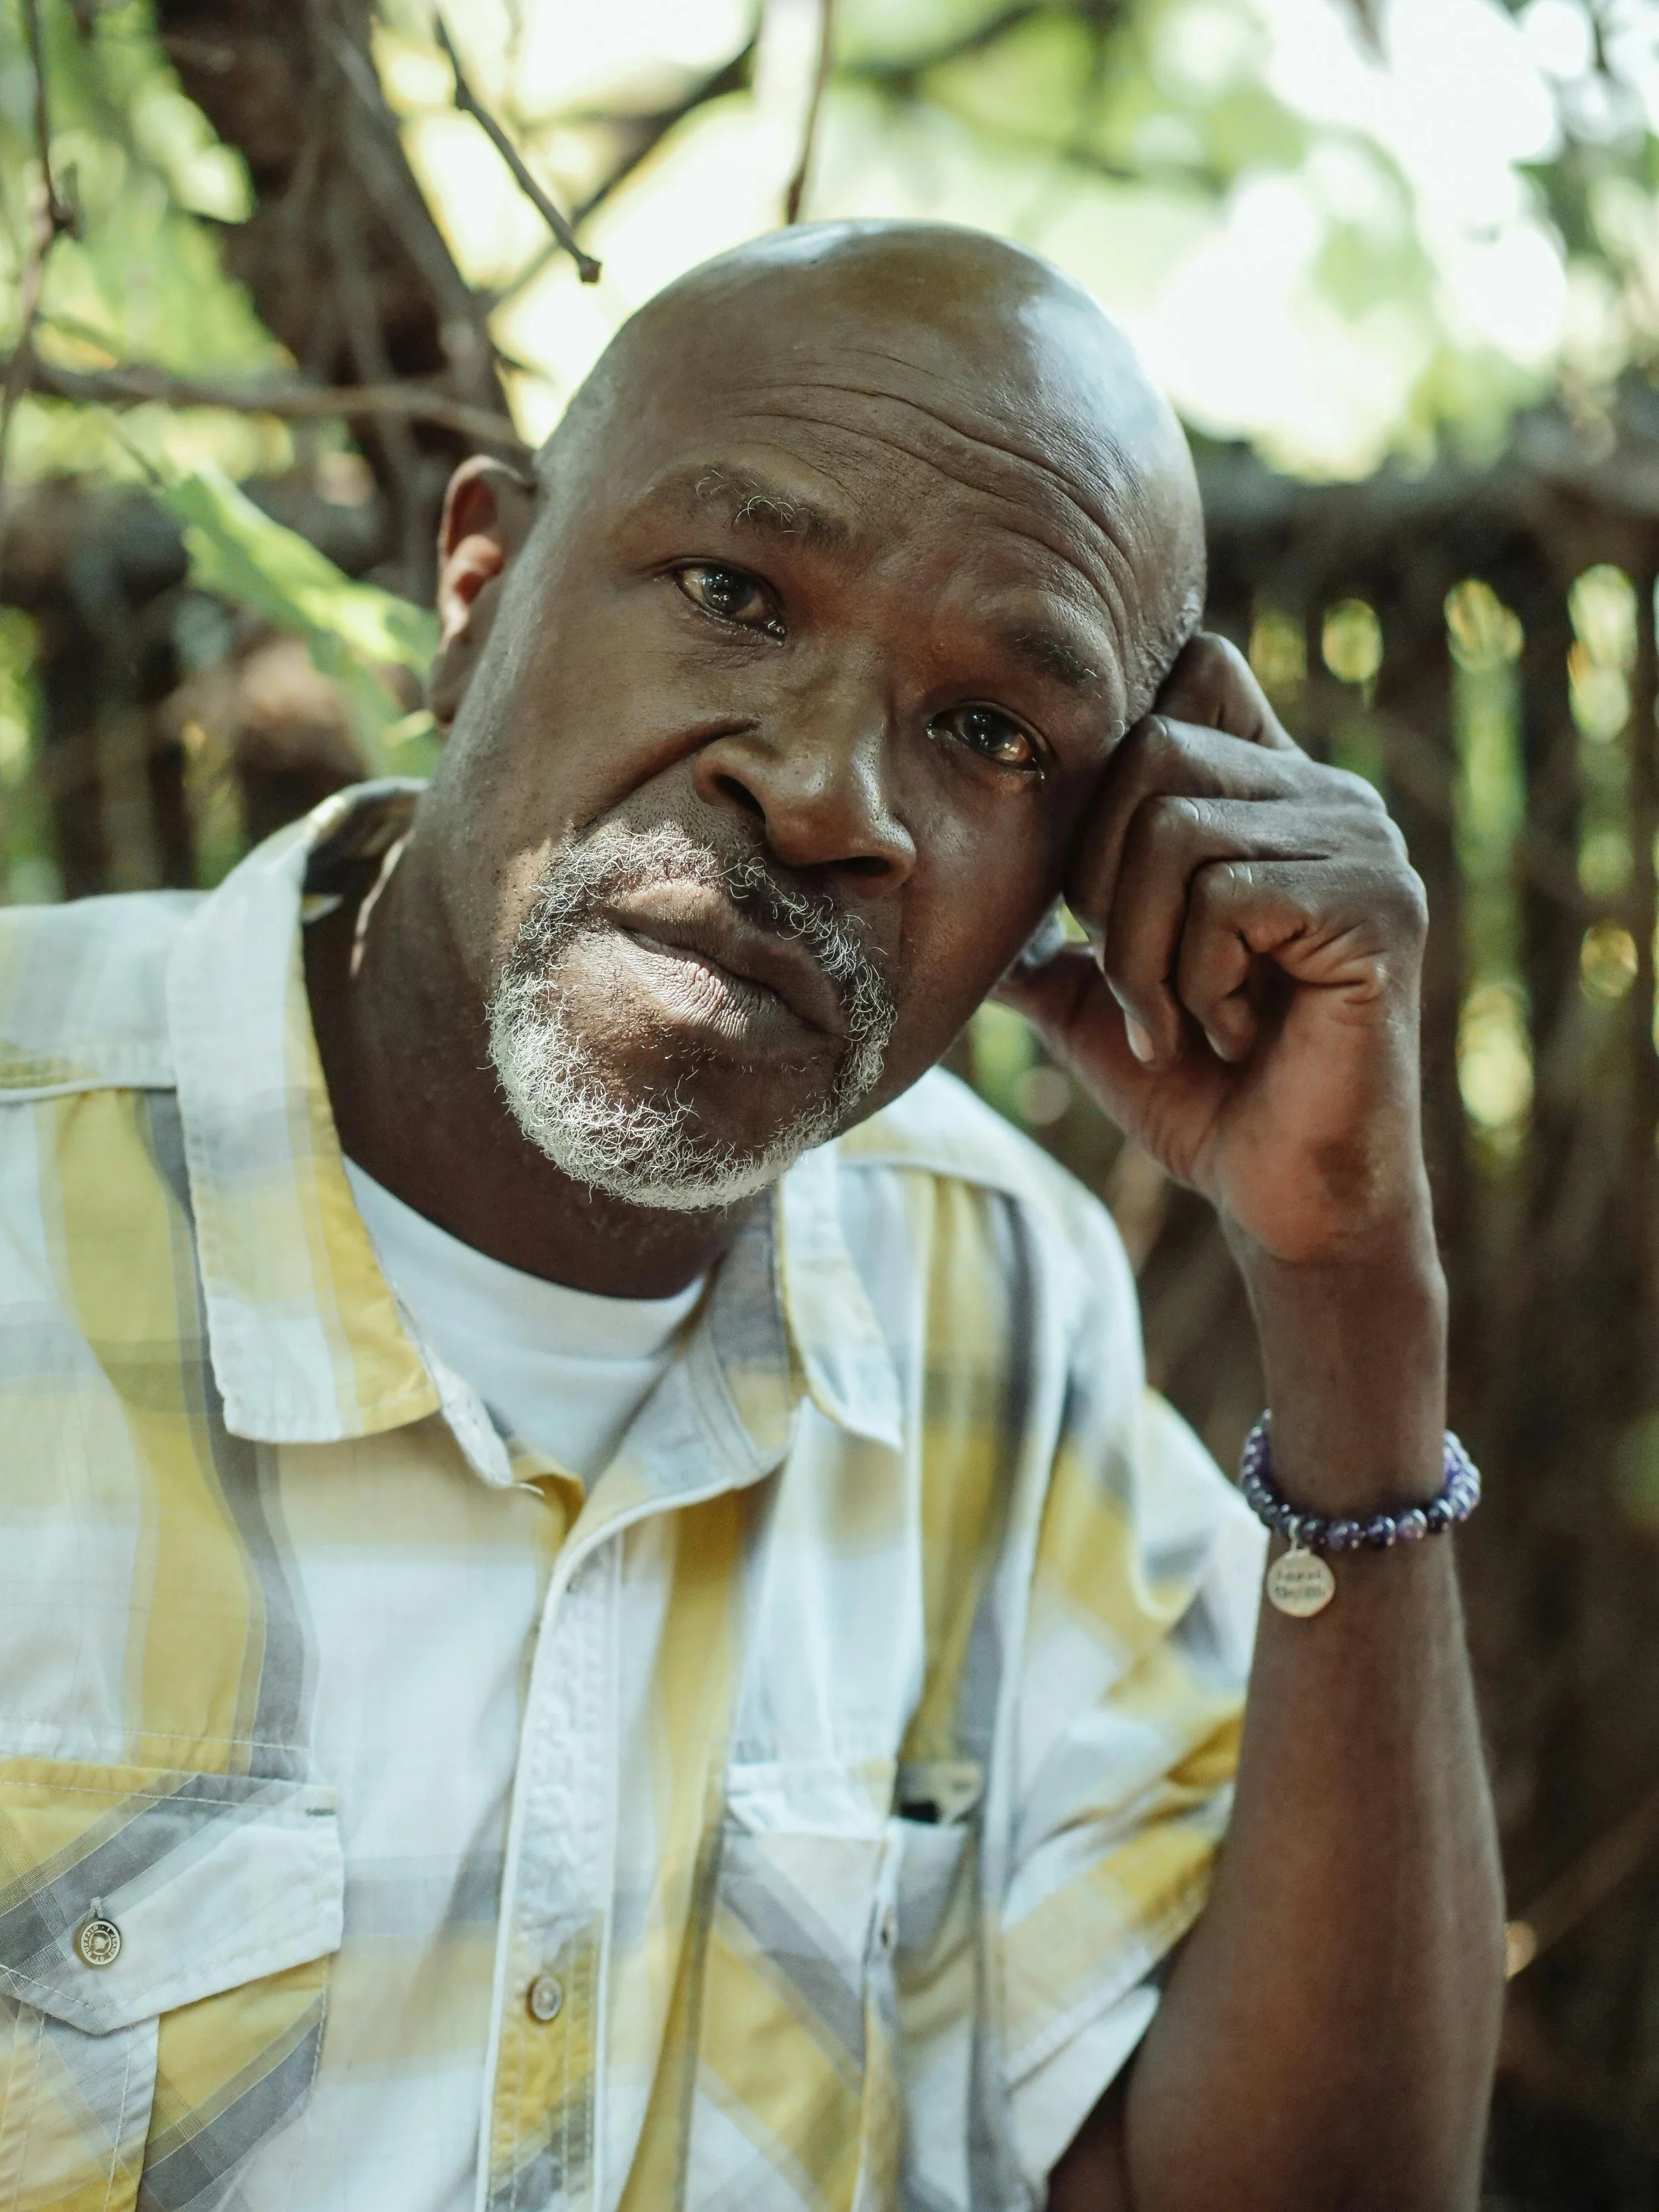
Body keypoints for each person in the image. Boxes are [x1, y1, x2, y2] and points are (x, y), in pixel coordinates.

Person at [0, 220, 1502, 2212]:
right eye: (729, 590)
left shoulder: (991, 1297)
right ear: (475, 592)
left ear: (1088, 857)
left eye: (991, 732)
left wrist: (1346, 1310)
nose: (822, 791)